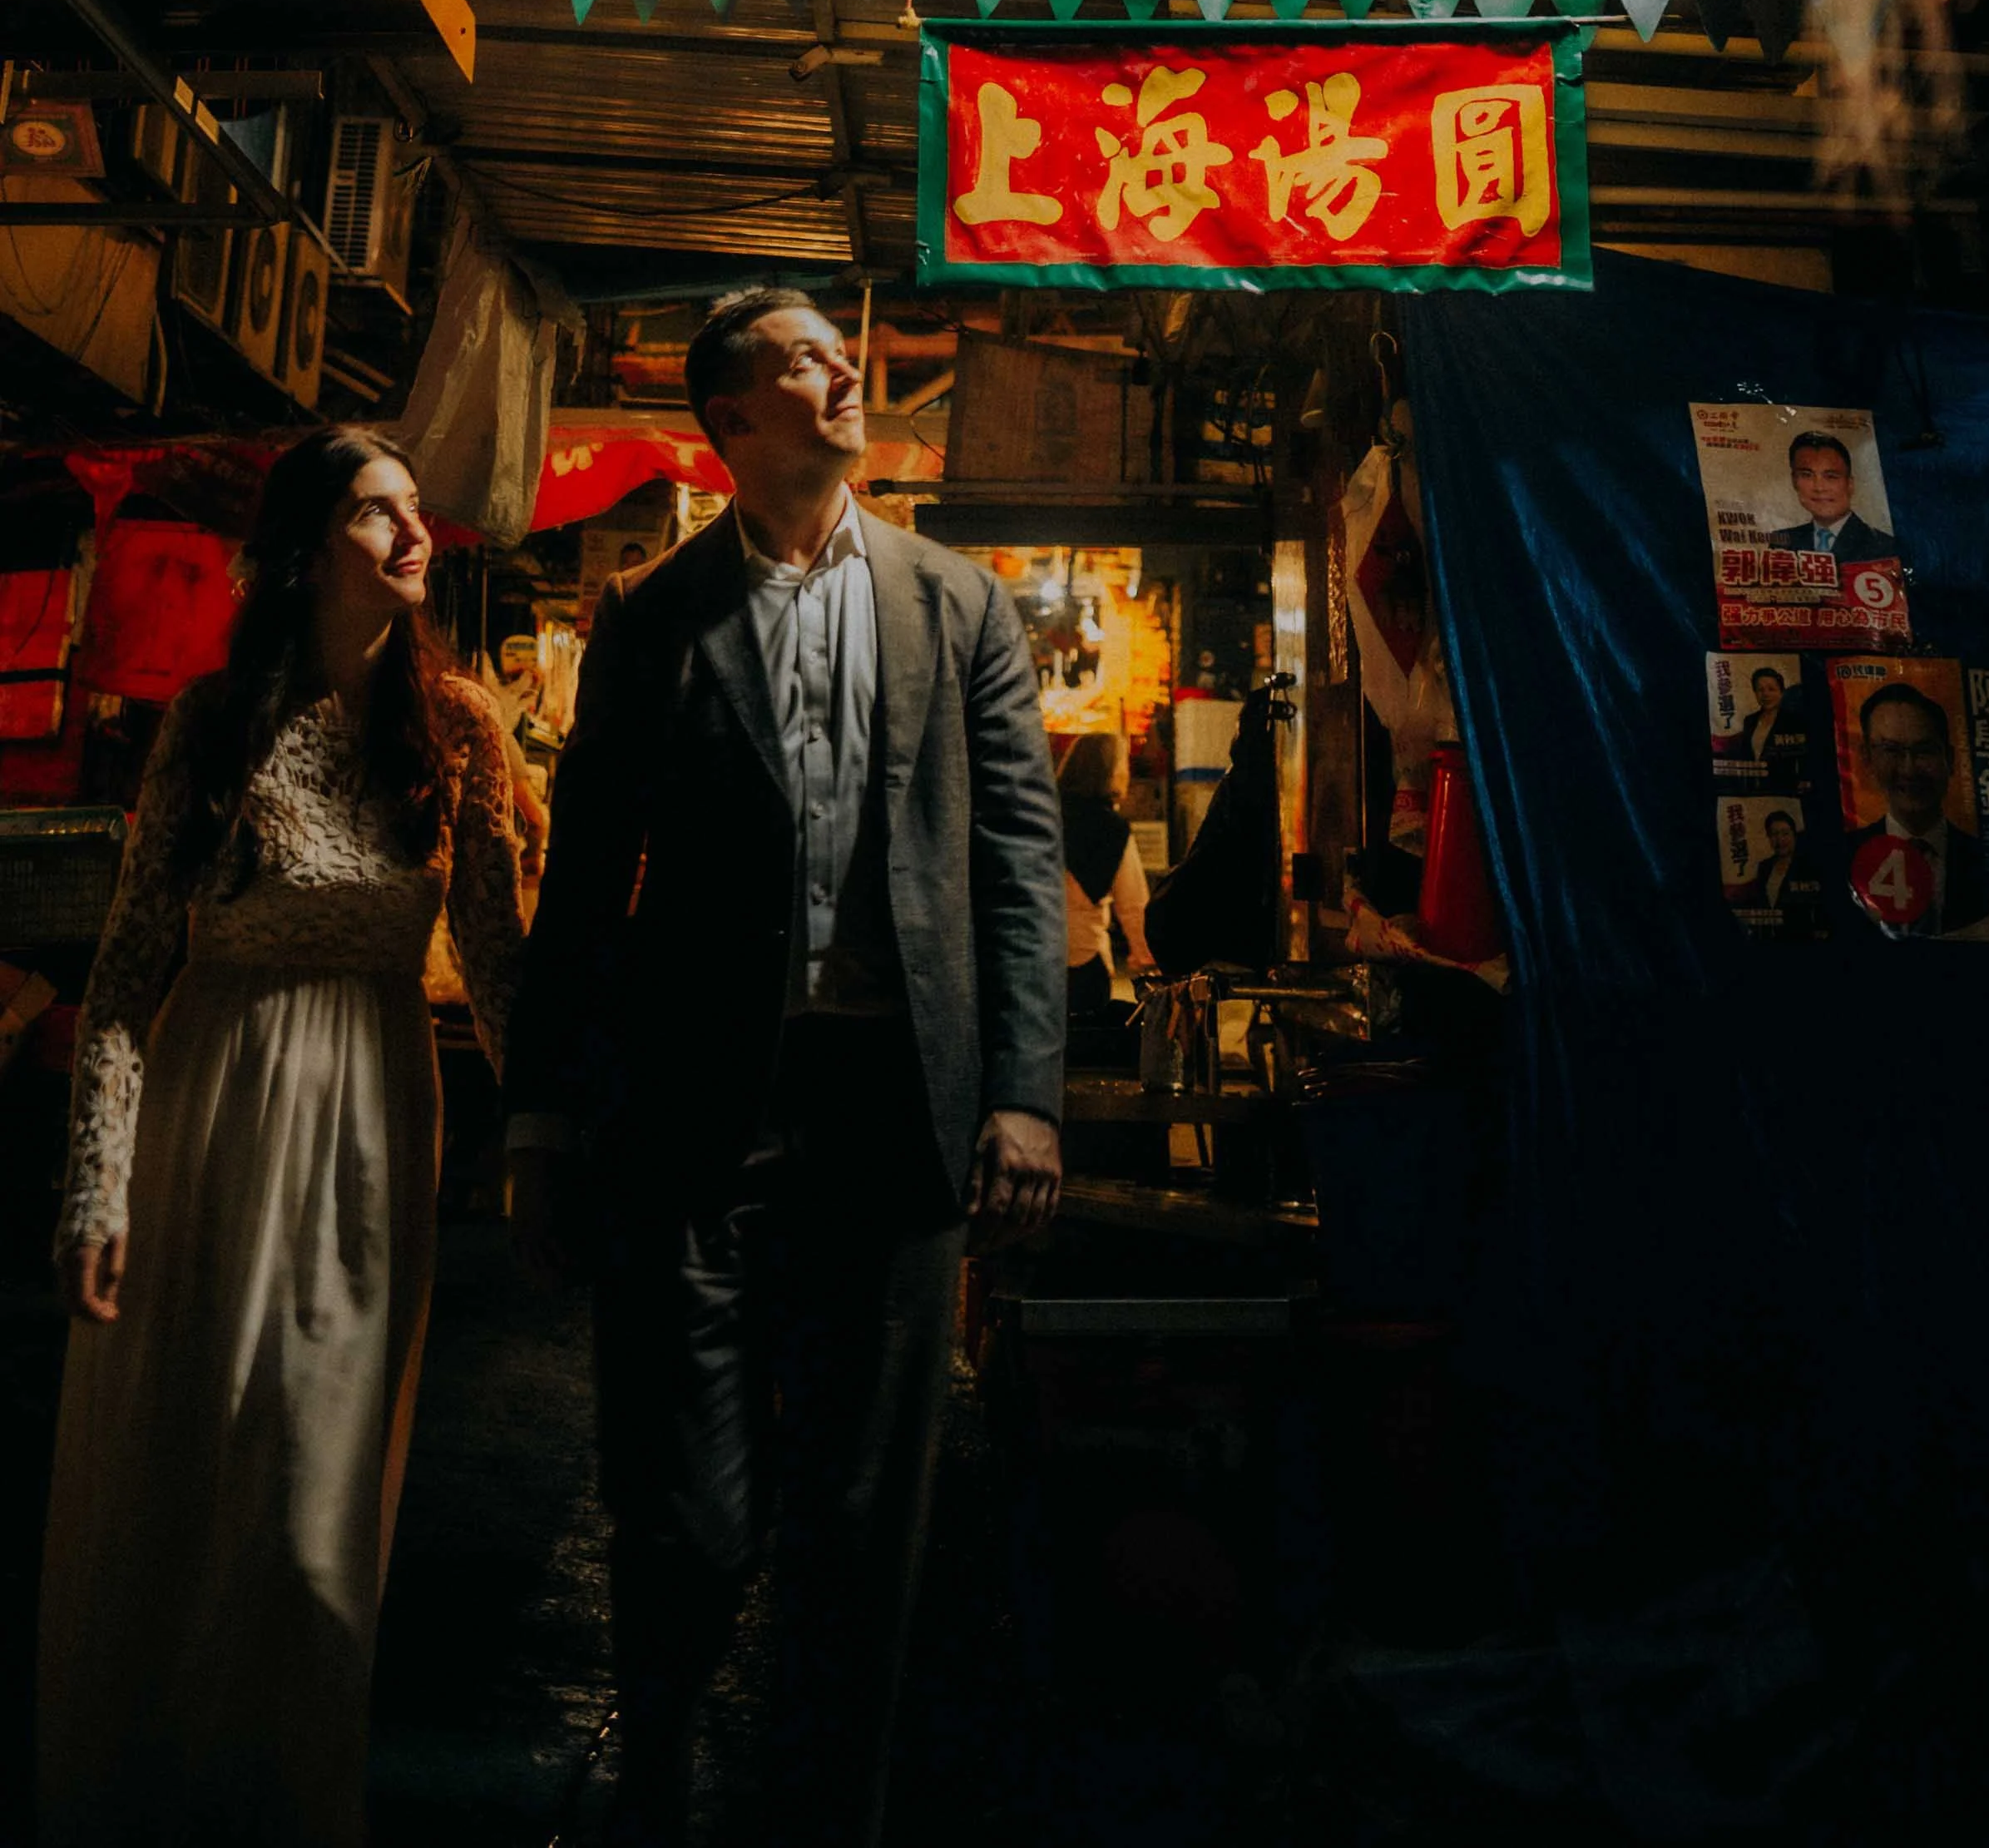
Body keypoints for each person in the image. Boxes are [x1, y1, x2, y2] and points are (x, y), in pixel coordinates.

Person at [506, 285, 1065, 1848]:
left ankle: (834, 1815)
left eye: (842, 352)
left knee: (866, 1515)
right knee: (684, 1503)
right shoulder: (655, 614)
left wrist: (1024, 1092)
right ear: (733, 419)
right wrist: (541, 1119)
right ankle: (658, 1773)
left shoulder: (958, 603)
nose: (845, 371)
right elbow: (584, 878)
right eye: (806, 359)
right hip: (691, 1109)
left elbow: (1021, 860)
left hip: (892, 1107)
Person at [37, 427, 524, 1848]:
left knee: (318, 1494)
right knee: (186, 1464)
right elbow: (127, 970)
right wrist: (97, 1182)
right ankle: (154, 1798)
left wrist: (558, 1139)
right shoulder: (213, 720)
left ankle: (286, 1800)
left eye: (414, 508)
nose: (415, 531)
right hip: (213, 1099)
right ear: (311, 549)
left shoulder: (461, 728)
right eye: (378, 511)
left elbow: (500, 965)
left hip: (373, 1109)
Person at [1846, 679, 1989, 934]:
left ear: (1950, 759)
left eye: (1924, 751)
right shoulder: (1844, 854)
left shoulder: (1986, 856)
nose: (1909, 770)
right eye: (1891, 750)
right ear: (1867, 759)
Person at [1058, 730, 1155, 1020]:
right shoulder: (1112, 830)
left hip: (1034, 958)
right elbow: (1133, 904)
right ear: (1110, 773)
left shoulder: (1042, 817)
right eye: (1123, 765)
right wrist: (1146, 957)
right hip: (1085, 963)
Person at [1765, 430, 1900, 562]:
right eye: (1807, 475)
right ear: (1794, 482)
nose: (1819, 488)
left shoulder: (1884, 546)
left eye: (1831, 477)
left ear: (1849, 484)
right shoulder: (1782, 542)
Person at [1733, 803, 1814, 918]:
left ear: (1794, 835)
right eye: (1774, 834)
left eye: (1785, 833)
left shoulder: (1807, 866)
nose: (1780, 840)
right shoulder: (1764, 866)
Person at [1740, 666, 1804, 768]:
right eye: (1760, 690)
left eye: (1771, 689)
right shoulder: (1749, 721)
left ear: (1781, 692)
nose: (1765, 694)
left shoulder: (1793, 720)